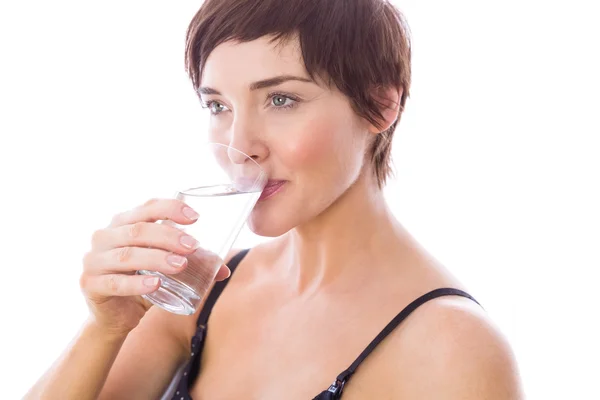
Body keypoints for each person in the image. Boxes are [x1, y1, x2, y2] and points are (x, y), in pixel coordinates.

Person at [25, 0, 524, 398]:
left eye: (280, 99)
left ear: (381, 103)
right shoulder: (206, 292)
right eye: (218, 105)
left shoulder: (452, 349)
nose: (240, 146)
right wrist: (104, 329)